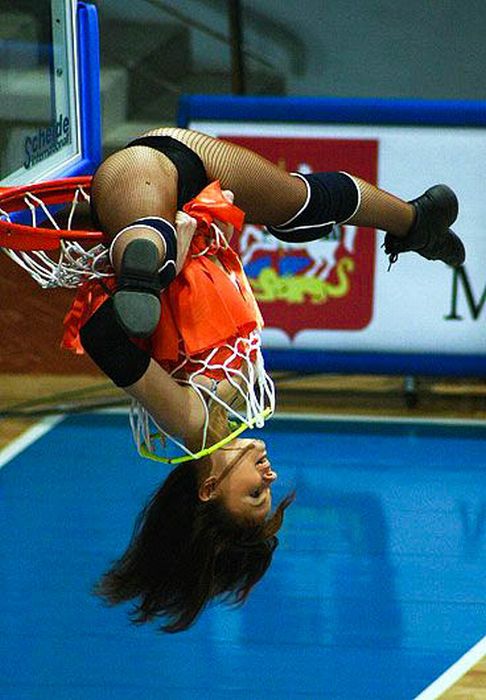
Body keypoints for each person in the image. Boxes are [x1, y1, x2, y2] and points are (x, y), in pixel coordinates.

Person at [68, 127, 465, 632]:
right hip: (193, 173)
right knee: (302, 207)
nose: (271, 479)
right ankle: (415, 221)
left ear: (209, 489)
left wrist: (163, 270)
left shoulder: (193, 424)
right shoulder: (237, 408)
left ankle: (148, 263)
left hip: (141, 187)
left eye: (255, 494)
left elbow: (101, 337)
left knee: (153, 251)